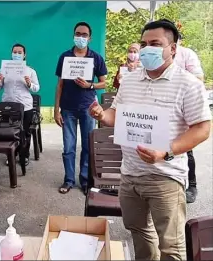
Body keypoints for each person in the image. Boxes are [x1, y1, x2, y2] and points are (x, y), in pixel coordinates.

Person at [89, 19, 211, 260]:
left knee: (171, 245)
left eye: (155, 43)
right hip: (130, 174)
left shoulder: (188, 84)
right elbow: (116, 114)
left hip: (165, 176)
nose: (147, 49)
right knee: (139, 231)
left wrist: (166, 151)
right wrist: (103, 114)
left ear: (173, 48)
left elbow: (203, 128)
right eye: (144, 44)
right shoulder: (130, 80)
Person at [54, 21, 108, 195]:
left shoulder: (96, 58)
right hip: (67, 108)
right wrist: (56, 110)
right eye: (78, 34)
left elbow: (104, 82)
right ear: (73, 35)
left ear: (90, 38)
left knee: (87, 146)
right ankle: (68, 180)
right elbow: (60, 85)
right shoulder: (65, 57)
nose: (80, 37)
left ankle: (85, 180)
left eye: (84, 35)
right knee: (68, 147)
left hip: (88, 108)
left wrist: (89, 85)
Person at [0, 43, 40, 166]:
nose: (17, 54)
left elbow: (36, 88)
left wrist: (29, 84)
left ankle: (24, 156)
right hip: (8, 106)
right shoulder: (3, 69)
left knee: (24, 132)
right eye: (15, 52)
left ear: (24, 55)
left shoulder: (30, 71)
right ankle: (11, 155)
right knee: (9, 131)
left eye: (20, 52)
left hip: (25, 106)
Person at [174, 33, 205, 203]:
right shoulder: (154, 56)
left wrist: (177, 82)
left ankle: (191, 185)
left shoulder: (186, 54)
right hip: (160, 107)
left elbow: (199, 78)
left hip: (182, 108)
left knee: (186, 147)